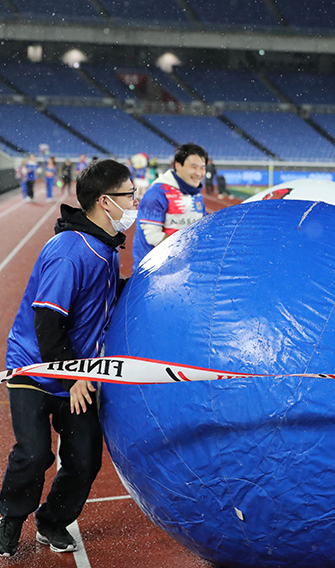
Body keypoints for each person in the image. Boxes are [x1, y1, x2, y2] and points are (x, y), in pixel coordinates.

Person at [0, 159, 137, 558]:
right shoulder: (68, 252)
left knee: (84, 458)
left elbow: (104, 299)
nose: (135, 201)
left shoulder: (105, 245)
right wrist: (74, 377)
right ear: (105, 201)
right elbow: (47, 325)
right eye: (129, 194)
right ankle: (9, 518)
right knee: (35, 452)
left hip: (75, 369)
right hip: (35, 366)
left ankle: (52, 521)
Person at [132, 143, 208, 272]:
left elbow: (203, 227)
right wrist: (187, 248)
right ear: (178, 165)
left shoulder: (195, 194)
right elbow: (152, 237)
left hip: (182, 271)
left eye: (202, 168)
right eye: (194, 167)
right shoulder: (157, 193)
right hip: (154, 274)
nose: (199, 173)